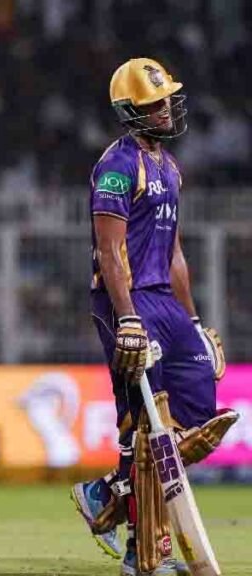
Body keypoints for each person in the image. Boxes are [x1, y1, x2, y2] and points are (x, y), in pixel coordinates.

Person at [70, 57, 236, 576]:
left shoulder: (170, 167)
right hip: (126, 298)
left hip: (166, 301)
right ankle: (143, 553)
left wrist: (196, 324)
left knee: (199, 416)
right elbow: (108, 250)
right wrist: (127, 318)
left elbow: (175, 254)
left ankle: (106, 493)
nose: (166, 109)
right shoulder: (118, 165)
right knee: (147, 427)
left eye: (167, 100)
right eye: (154, 103)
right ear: (131, 110)